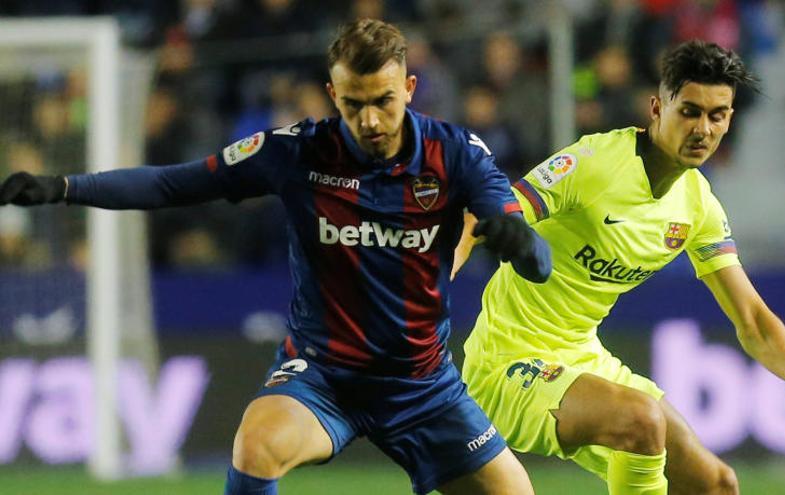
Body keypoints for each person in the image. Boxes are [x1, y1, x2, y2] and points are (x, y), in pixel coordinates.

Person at [0, 19, 551, 495]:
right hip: (323, 376)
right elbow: (174, 184)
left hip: (422, 384)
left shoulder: (455, 154)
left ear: (408, 87)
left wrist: (518, 242)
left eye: (383, 101)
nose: (370, 121)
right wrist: (65, 186)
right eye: (354, 104)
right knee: (257, 442)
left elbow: (539, 264)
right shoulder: (296, 151)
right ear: (334, 95)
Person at [454, 40, 785, 495]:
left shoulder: (698, 206)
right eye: (689, 111)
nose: (703, 129)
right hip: (508, 361)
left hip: (583, 358)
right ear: (657, 107)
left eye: (717, 115)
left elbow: (751, 319)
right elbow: (490, 212)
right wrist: (439, 268)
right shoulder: (592, 163)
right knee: (641, 419)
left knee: (715, 483)